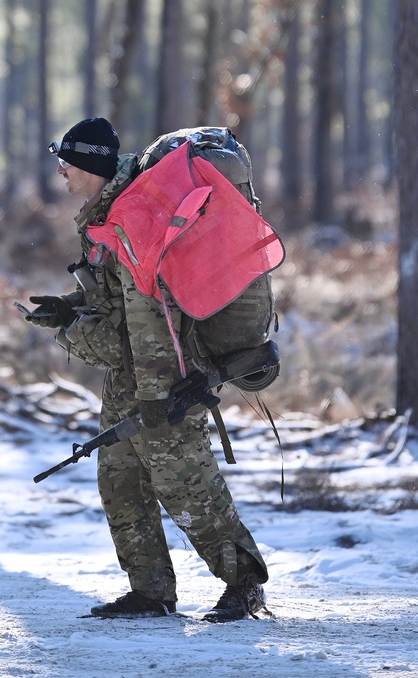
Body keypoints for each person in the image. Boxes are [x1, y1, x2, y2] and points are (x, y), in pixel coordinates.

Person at [24, 117, 269, 622]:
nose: (62, 174)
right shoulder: (107, 209)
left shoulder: (132, 216)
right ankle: (150, 590)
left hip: (166, 374)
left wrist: (160, 396)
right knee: (120, 479)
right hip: (134, 372)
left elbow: (149, 314)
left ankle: (244, 584)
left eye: (66, 164)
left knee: (185, 483)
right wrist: (69, 307)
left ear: (89, 165)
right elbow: (112, 294)